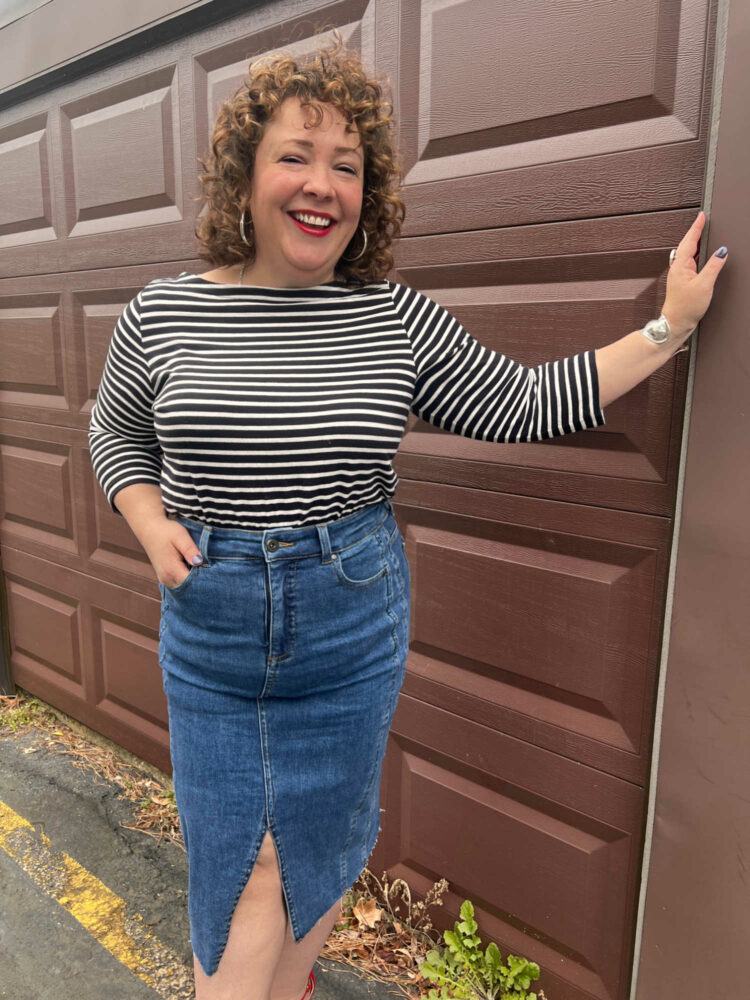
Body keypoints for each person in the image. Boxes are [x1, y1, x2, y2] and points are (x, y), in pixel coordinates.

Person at [87, 31, 727, 1000]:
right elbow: (117, 437)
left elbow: (523, 401)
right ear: (245, 174)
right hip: (211, 639)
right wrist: (142, 516)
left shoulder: (394, 318)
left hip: (350, 621)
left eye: (346, 164)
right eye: (295, 155)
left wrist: (667, 326)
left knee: (320, 843)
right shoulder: (164, 313)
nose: (321, 184)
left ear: (367, 190)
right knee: (239, 866)